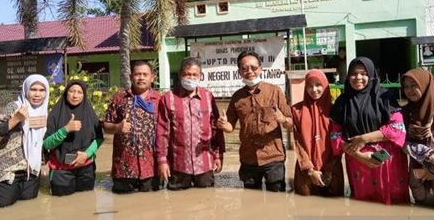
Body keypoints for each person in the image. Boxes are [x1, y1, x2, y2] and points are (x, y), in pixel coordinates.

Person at [330, 56, 409, 205]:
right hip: (357, 160)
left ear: (371, 75)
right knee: (363, 205)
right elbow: (335, 135)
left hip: (385, 159)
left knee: (391, 204)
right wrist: (360, 156)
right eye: (353, 73)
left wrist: (364, 138)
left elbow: (397, 128)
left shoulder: (385, 97)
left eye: (363, 73)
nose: (358, 77)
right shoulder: (342, 102)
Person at [217, 51, 292, 192]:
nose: (249, 71)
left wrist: (283, 119)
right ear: (239, 71)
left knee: (276, 203)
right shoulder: (237, 97)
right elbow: (230, 127)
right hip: (248, 158)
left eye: (253, 67)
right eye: (244, 69)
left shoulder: (275, 91)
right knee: (250, 203)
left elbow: (291, 122)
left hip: (273, 157)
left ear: (260, 68)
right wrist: (223, 124)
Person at [156, 57, 225, 190]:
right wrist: (162, 161)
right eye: (187, 74)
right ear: (180, 75)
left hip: (205, 164)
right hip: (178, 166)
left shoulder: (208, 97)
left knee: (208, 201)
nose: (191, 77)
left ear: (200, 76)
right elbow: (162, 132)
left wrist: (218, 155)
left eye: (194, 75)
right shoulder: (168, 98)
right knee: (177, 203)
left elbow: (215, 129)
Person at [0, 74, 49, 207]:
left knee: (29, 209)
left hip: (32, 173)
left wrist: (47, 162)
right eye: (33, 89)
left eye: (42, 90)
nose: (37, 94)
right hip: (6, 172)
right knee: (3, 209)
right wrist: (15, 119)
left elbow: (44, 141)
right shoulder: (14, 107)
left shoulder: (44, 111)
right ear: (26, 89)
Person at [103, 61, 161, 193]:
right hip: (124, 168)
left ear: (152, 77)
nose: (141, 78)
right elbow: (105, 125)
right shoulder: (119, 98)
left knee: (153, 208)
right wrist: (118, 127)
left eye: (145, 74)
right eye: (137, 74)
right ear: (130, 77)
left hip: (152, 168)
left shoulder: (159, 100)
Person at [44, 80, 104, 196]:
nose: (75, 95)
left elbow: (99, 138)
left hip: (86, 169)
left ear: (84, 95)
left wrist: (86, 155)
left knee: (86, 203)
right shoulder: (55, 114)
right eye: (71, 91)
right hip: (61, 170)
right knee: (61, 206)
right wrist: (65, 130)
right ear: (66, 93)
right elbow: (47, 144)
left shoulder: (89, 113)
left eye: (79, 92)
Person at [291, 69, 344, 196]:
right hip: (305, 169)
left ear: (325, 85)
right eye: (309, 85)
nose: (314, 89)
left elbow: (339, 142)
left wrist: (329, 168)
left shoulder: (335, 110)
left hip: (332, 168)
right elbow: (298, 143)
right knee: (304, 210)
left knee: (334, 210)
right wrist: (310, 170)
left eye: (318, 85)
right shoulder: (297, 111)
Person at [401, 68, 434, 207]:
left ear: (425, 84)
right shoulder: (405, 113)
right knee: (422, 208)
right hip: (418, 174)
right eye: (406, 86)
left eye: (414, 85)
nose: (410, 90)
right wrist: (430, 157)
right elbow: (401, 142)